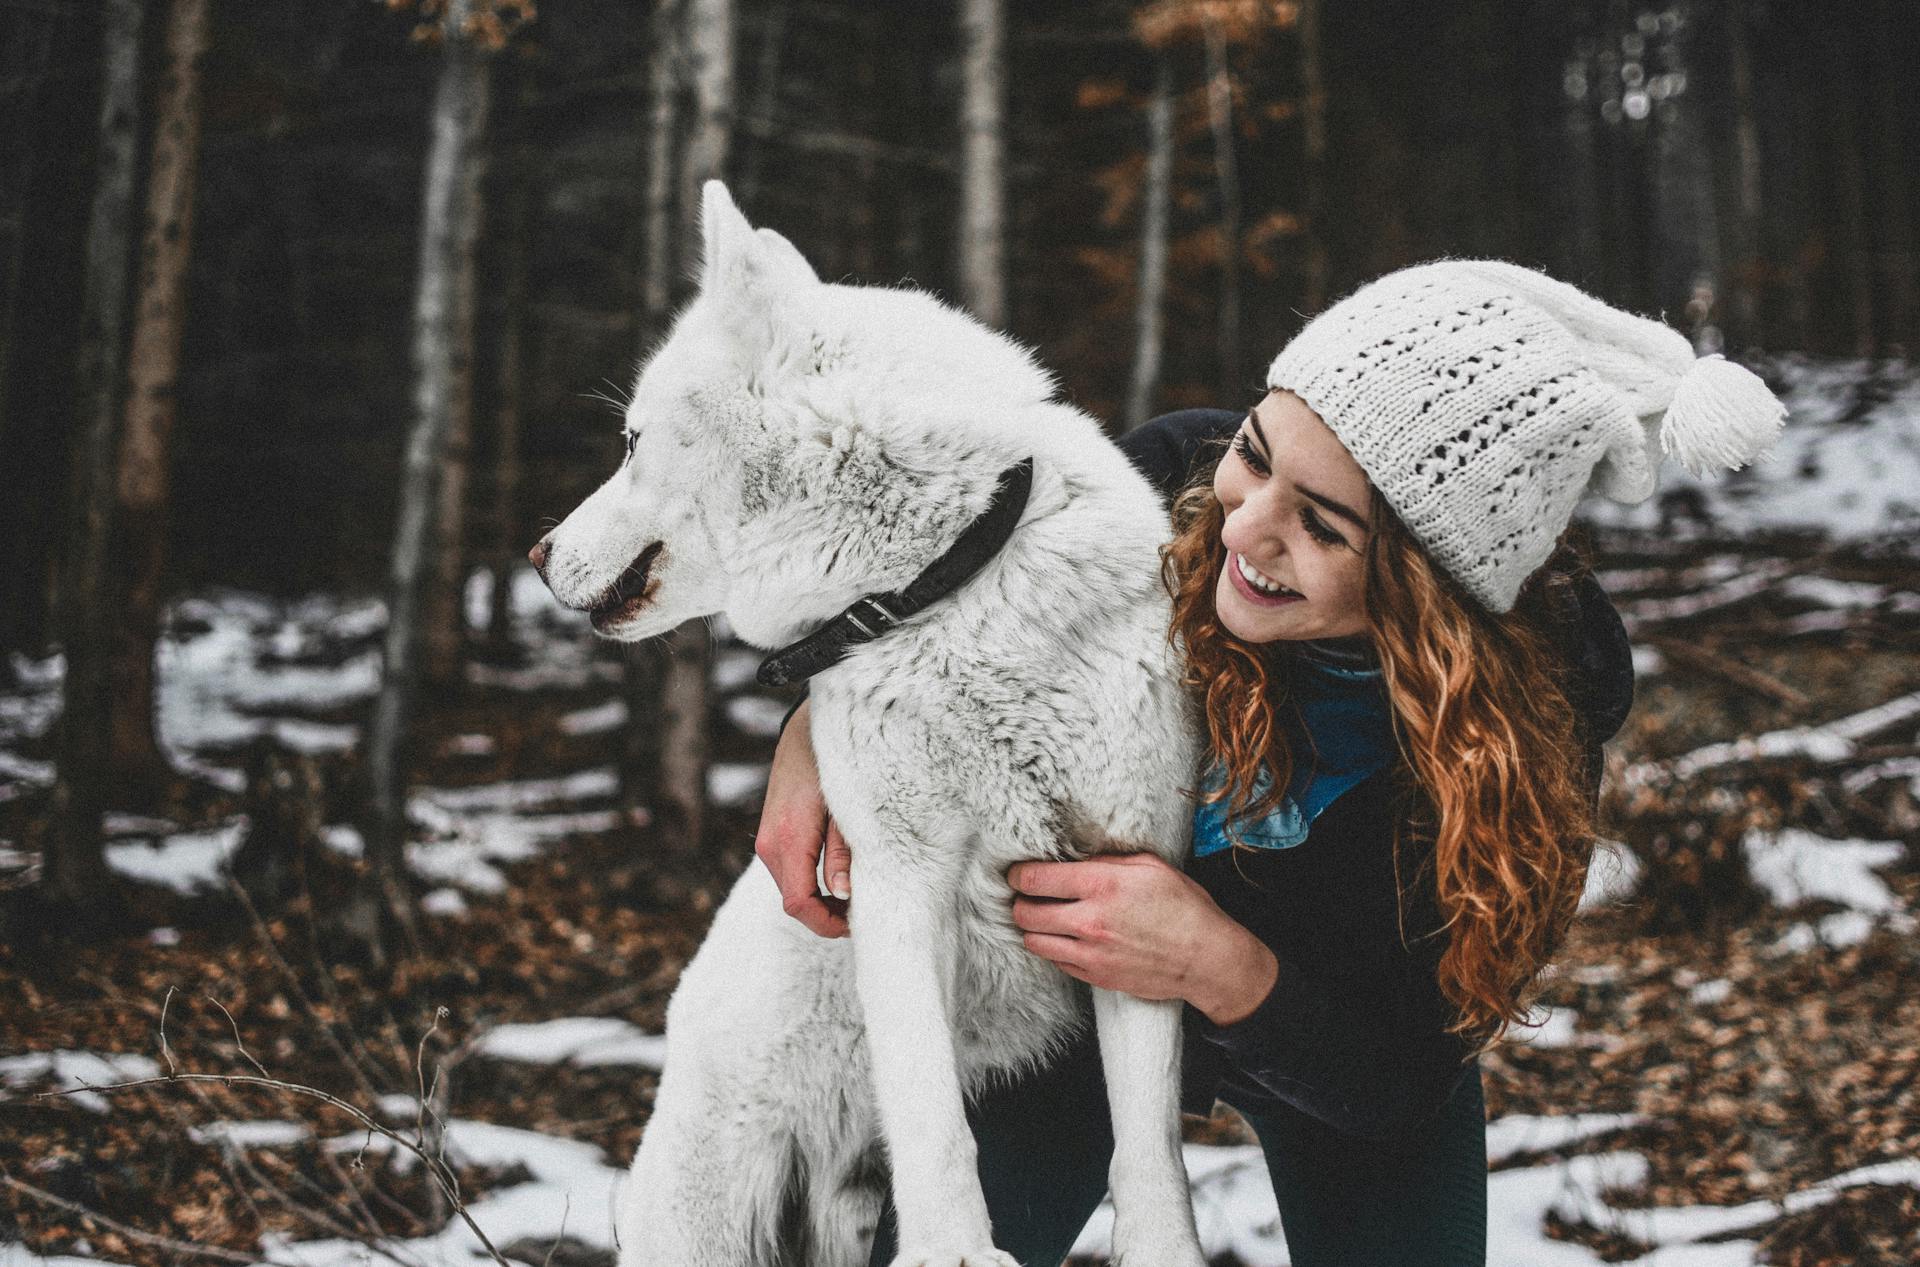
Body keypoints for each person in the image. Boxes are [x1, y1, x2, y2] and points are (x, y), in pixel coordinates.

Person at [753, 260, 1785, 1267]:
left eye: (1322, 526)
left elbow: (1405, 1069)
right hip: (1066, 1001)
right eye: (1257, 454)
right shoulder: (1162, 480)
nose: (1243, 525)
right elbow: (931, 609)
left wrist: (1219, 960)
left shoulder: (1535, 721)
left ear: (1429, 594)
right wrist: (815, 724)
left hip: (1342, 1040)